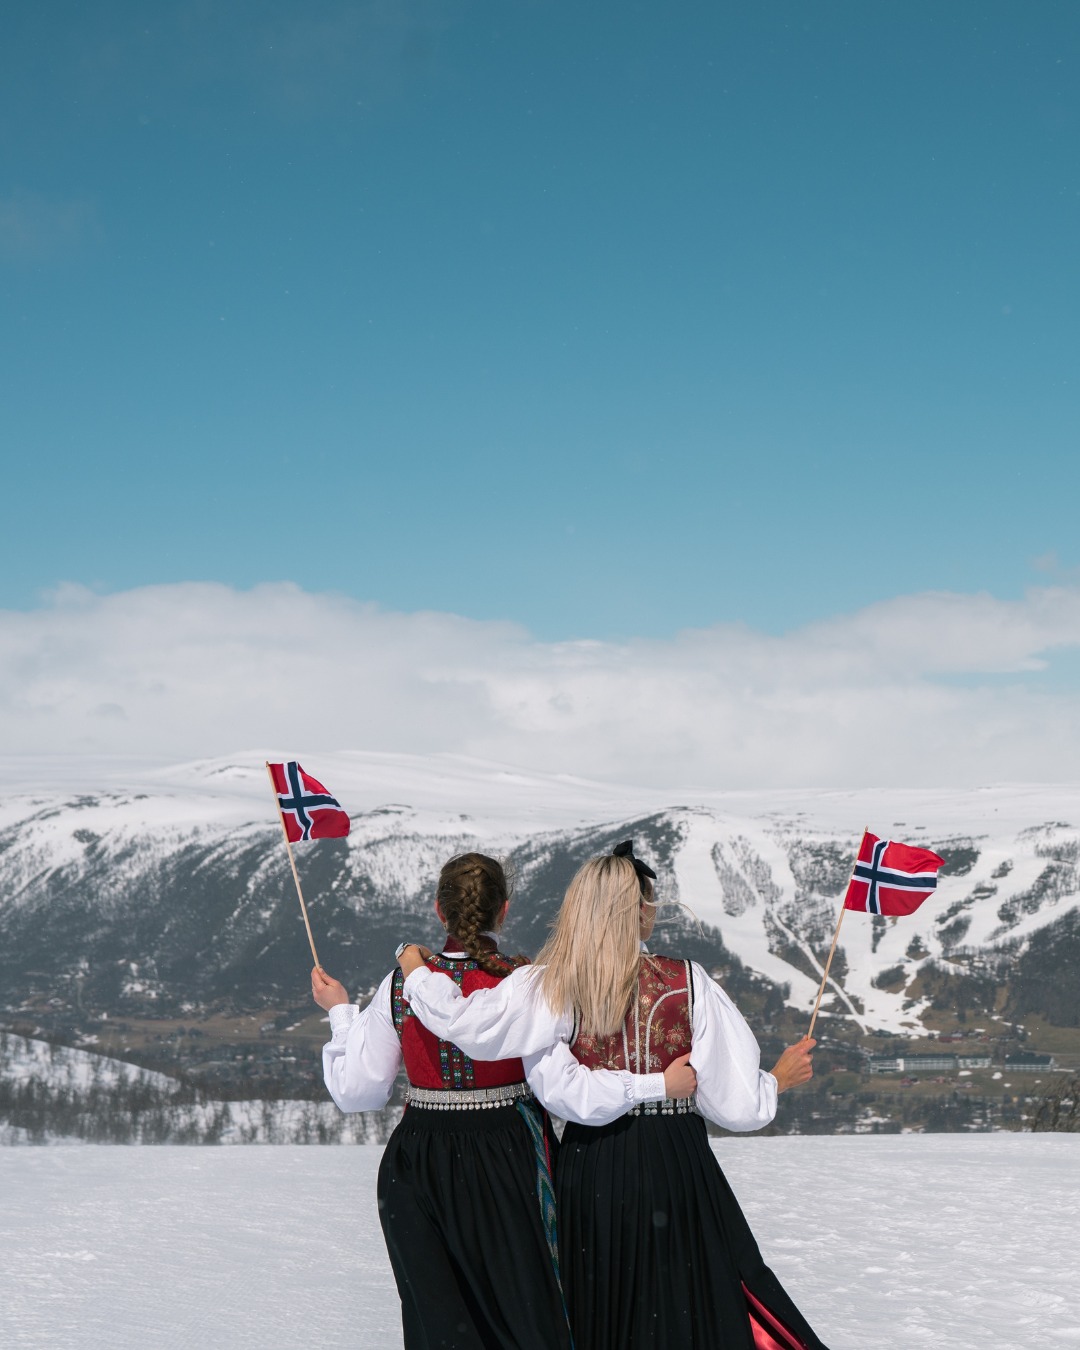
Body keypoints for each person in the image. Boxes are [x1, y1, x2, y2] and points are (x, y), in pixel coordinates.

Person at [397, 842, 831, 1350]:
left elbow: (477, 1032)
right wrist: (775, 1079)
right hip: (677, 1164)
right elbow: (738, 1106)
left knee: (603, 1307)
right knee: (691, 1300)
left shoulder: (549, 986)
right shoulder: (688, 983)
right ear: (642, 913)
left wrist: (415, 969)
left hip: (593, 1164)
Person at [313, 850, 696, 1350]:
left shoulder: (400, 985)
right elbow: (557, 1084)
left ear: (438, 909)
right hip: (511, 1154)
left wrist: (341, 1014)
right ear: (505, 910)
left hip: (418, 1161)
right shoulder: (525, 981)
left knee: (439, 1321)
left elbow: (357, 1090)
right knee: (527, 1311)